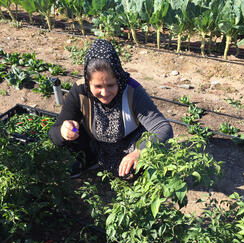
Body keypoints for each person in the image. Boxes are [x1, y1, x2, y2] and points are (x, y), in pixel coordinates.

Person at [48, 39, 173, 178]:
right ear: (88, 82)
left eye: (111, 85)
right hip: (94, 141)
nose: (105, 93)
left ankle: (123, 161)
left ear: (118, 79)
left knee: (138, 170)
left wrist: (139, 152)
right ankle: (89, 158)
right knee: (72, 135)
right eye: (98, 86)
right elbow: (53, 132)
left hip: (128, 144)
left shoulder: (132, 91)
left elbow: (163, 128)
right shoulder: (80, 91)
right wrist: (63, 131)